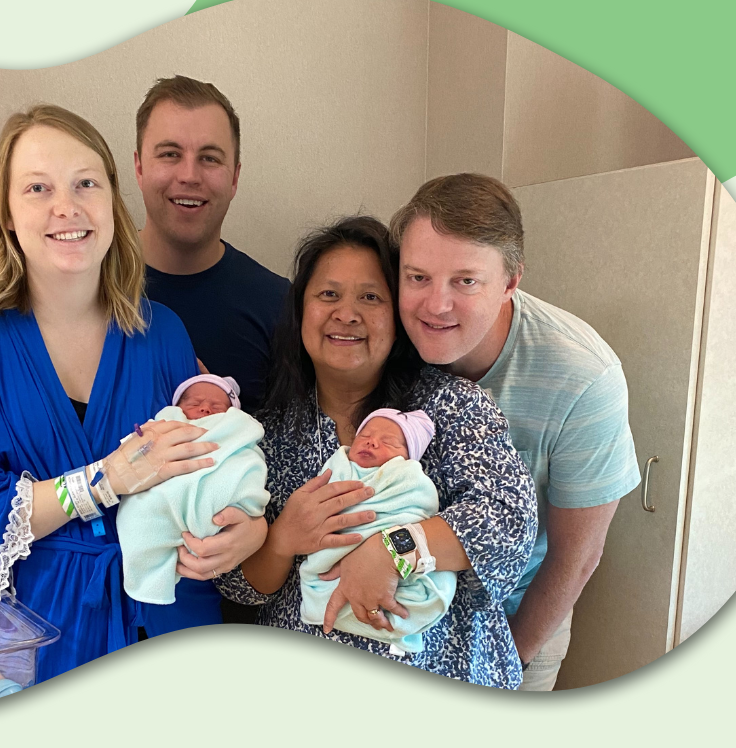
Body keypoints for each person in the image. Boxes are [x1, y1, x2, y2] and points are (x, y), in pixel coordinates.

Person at [0, 105, 268, 682]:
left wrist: (249, 529)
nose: (67, 206)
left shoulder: (163, 336)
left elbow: (212, 462)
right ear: (7, 214)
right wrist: (104, 481)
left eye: (87, 183)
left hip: (170, 615)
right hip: (40, 634)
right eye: (38, 188)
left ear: (112, 200)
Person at [215, 217, 537, 688]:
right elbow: (238, 585)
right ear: (300, 310)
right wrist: (283, 538)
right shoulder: (265, 436)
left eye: (370, 297)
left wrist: (394, 552)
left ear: (399, 315)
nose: (347, 314)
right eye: (328, 295)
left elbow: (508, 520)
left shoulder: (449, 406)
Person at [389, 173, 642, 691]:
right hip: (400, 609)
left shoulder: (582, 377)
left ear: (510, 282)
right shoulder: (386, 338)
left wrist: (510, 660)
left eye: (466, 281)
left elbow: (577, 557)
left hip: (517, 615)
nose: (435, 305)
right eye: (417, 277)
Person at [134, 75, 288, 412]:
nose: (189, 175)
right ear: (139, 167)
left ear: (234, 177)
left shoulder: (279, 307)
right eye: (170, 154)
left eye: (210, 158)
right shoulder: (85, 288)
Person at [299, 407, 458, 654]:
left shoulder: (407, 476)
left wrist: (384, 550)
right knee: (319, 575)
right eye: (365, 436)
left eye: (389, 442)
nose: (372, 442)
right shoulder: (339, 467)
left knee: (428, 584)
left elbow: (416, 508)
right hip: (335, 559)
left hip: (396, 555)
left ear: (408, 457)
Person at [116, 373, 269, 606]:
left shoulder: (235, 428)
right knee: (142, 510)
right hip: (165, 487)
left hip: (220, 488)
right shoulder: (166, 424)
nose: (206, 409)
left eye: (217, 407)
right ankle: (148, 569)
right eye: (194, 404)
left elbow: (248, 457)